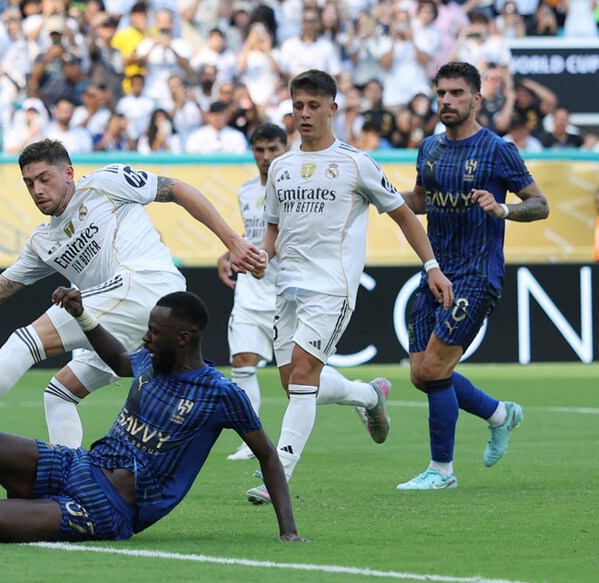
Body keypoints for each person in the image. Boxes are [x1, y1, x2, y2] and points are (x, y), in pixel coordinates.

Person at [0, 139, 265, 463]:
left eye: (45, 178)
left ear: (69, 173)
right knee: (59, 392)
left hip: (146, 288)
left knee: (26, 340)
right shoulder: (43, 241)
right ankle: (75, 478)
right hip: (114, 314)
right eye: (29, 183)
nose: (38, 189)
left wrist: (232, 240)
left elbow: (177, 189)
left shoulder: (106, 183)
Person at [0, 288, 304, 543]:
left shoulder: (219, 393)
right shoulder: (150, 360)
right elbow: (120, 361)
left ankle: (38, 506)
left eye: (154, 332)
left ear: (184, 338)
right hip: (81, 465)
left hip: (111, 508)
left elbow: (266, 455)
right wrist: (83, 315)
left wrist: (287, 530)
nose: (145, 338)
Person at [248, 70, 453, 503]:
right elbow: (271, 230)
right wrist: (261, 256)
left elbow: (403, 215)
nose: (304, 114)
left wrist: (432, 266)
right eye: (298, 106)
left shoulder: (355, 163)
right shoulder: (280, 168)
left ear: (332, 109)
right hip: (287, 289)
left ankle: (278, 474)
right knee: (295, 384)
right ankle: (368, 395)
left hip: (332, 288)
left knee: (303, 377)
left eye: (313, 106)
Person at [397, 62, 549, 491]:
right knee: (421, 375)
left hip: (477, 275)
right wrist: (377, 193)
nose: (446, 100)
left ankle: (441, 471)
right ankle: (500, 414)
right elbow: (422, 201)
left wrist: (504, 209)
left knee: (434, 368)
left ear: (476, 99)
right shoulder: (428, 148)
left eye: (456, 93)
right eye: (441, 93)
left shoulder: (498, 150)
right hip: (435, 272)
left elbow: (540, 205)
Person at [216, 123, 386, 464]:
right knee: (243, 362)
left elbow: (284, 233)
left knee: (300, 380)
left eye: (272, 149)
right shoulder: (246, 191)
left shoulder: (305, 179)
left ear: (285, 146)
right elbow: (257, 233)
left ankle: (364, 395)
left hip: (296, 287)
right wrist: (231, 253)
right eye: (259, 150)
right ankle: (252, 440)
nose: (265, 157)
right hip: (253, 290)